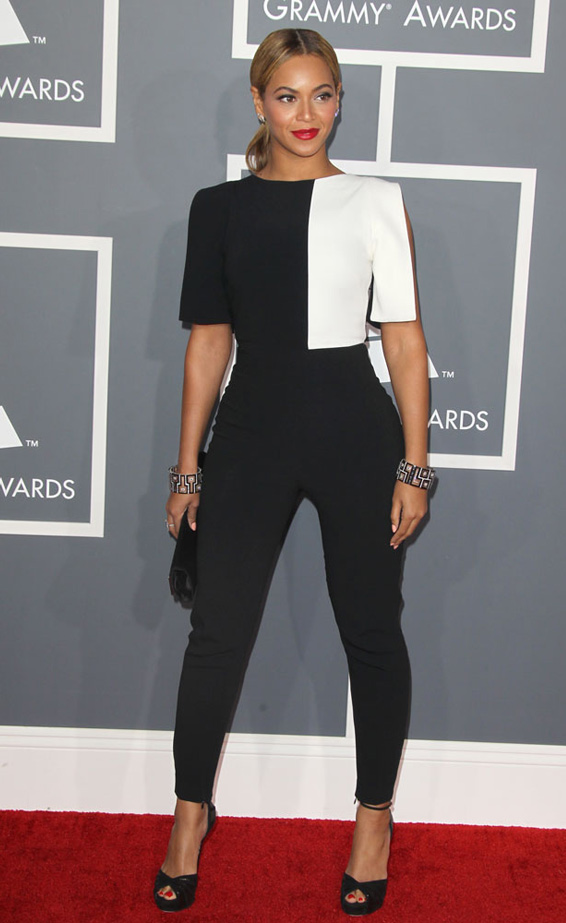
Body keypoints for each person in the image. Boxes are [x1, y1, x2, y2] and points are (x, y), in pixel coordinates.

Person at [154, 27, 434, 917]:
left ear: (340, 100)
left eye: (321, 95)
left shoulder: (376, 201)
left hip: (356, 433)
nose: (305, 114)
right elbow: (208, 345)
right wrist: (188, 468)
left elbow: (404, 342)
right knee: (216, 635)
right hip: (252, 432)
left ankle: (373, 822)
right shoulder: (218, 209)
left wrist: (415, 464)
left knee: (371, 632)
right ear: (259, 102)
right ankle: (190, 818)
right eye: (286, 96)